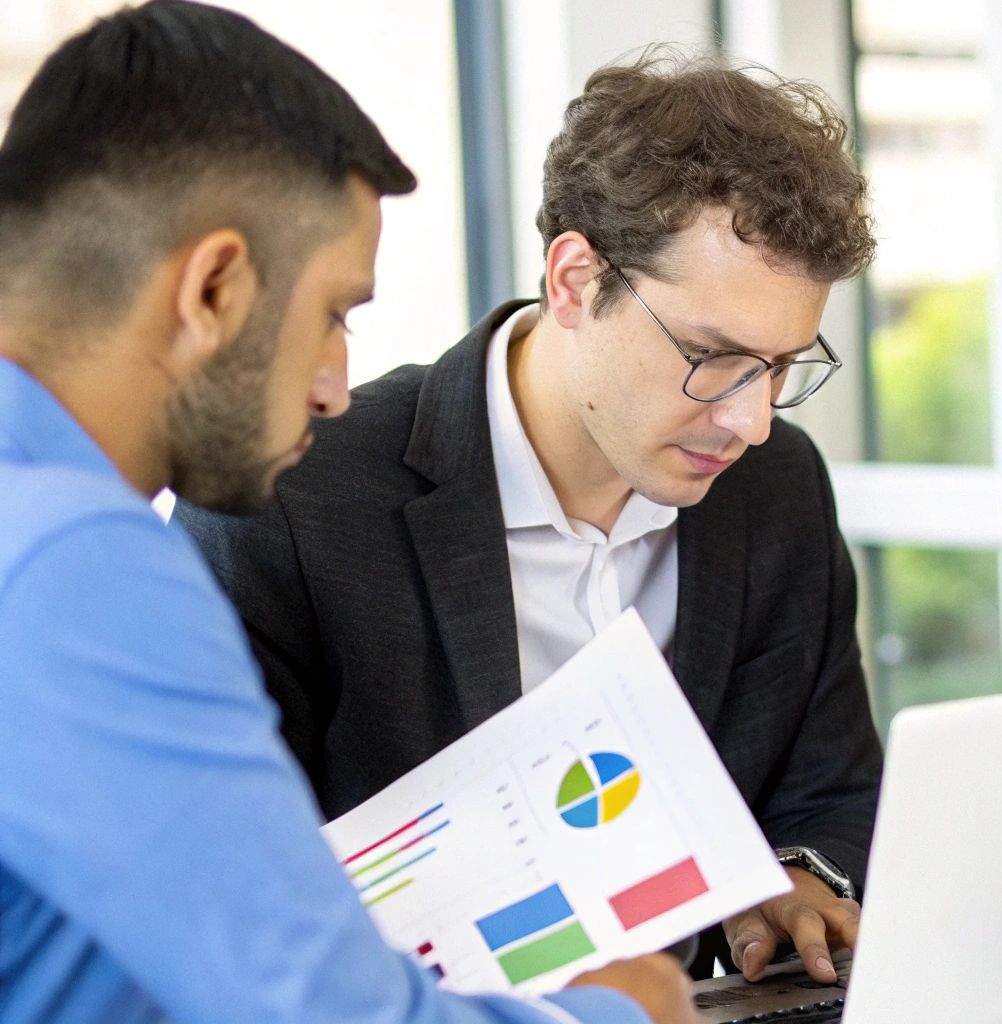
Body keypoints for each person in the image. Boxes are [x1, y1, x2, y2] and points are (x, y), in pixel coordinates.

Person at [0, 3, 697, 1022]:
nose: (334, 386)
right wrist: (619, 1013)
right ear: (214, 288)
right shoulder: (75, 563)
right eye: (332, 313)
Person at [174, 51, 881, 984]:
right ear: (575, 279)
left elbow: (830, 786)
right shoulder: (296, 497)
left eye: (785, 366)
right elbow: (217, 882)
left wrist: (799, 876)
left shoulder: (776, 489)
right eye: (714, 357)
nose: (751, 420)